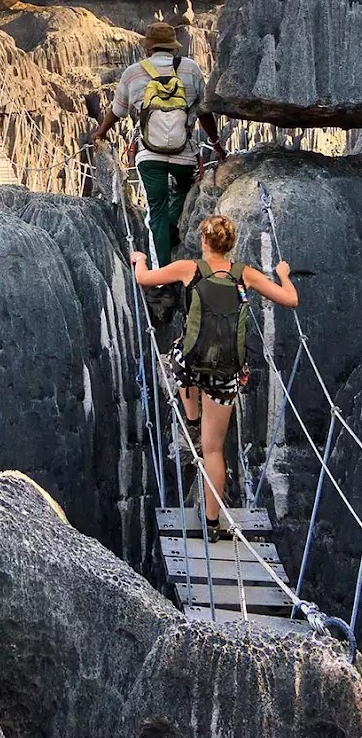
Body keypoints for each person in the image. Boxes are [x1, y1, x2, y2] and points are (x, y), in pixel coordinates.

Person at [131, 214, 298, 539]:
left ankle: (191, 419)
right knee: (213, 451)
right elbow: (291, 300)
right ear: (231, 244)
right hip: (225, 373)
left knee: (178, 352)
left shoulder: (188, 269)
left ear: (204, 242)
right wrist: (283, 274)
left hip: (192, 364)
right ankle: (212, 523)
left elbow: (143, 279)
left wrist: (140, 259)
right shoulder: (244, 275)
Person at [91, 21, 226, 269]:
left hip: (149, 156)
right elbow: (205, 113)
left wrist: (99, 133)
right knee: (184, 190)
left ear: (148, 49)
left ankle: (163, 273)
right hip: (184, 154)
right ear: (173, 48)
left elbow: (116, 112)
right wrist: (216, 145)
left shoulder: (133, 73)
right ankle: (173, 229)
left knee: (157, 211)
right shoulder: (191, 70)